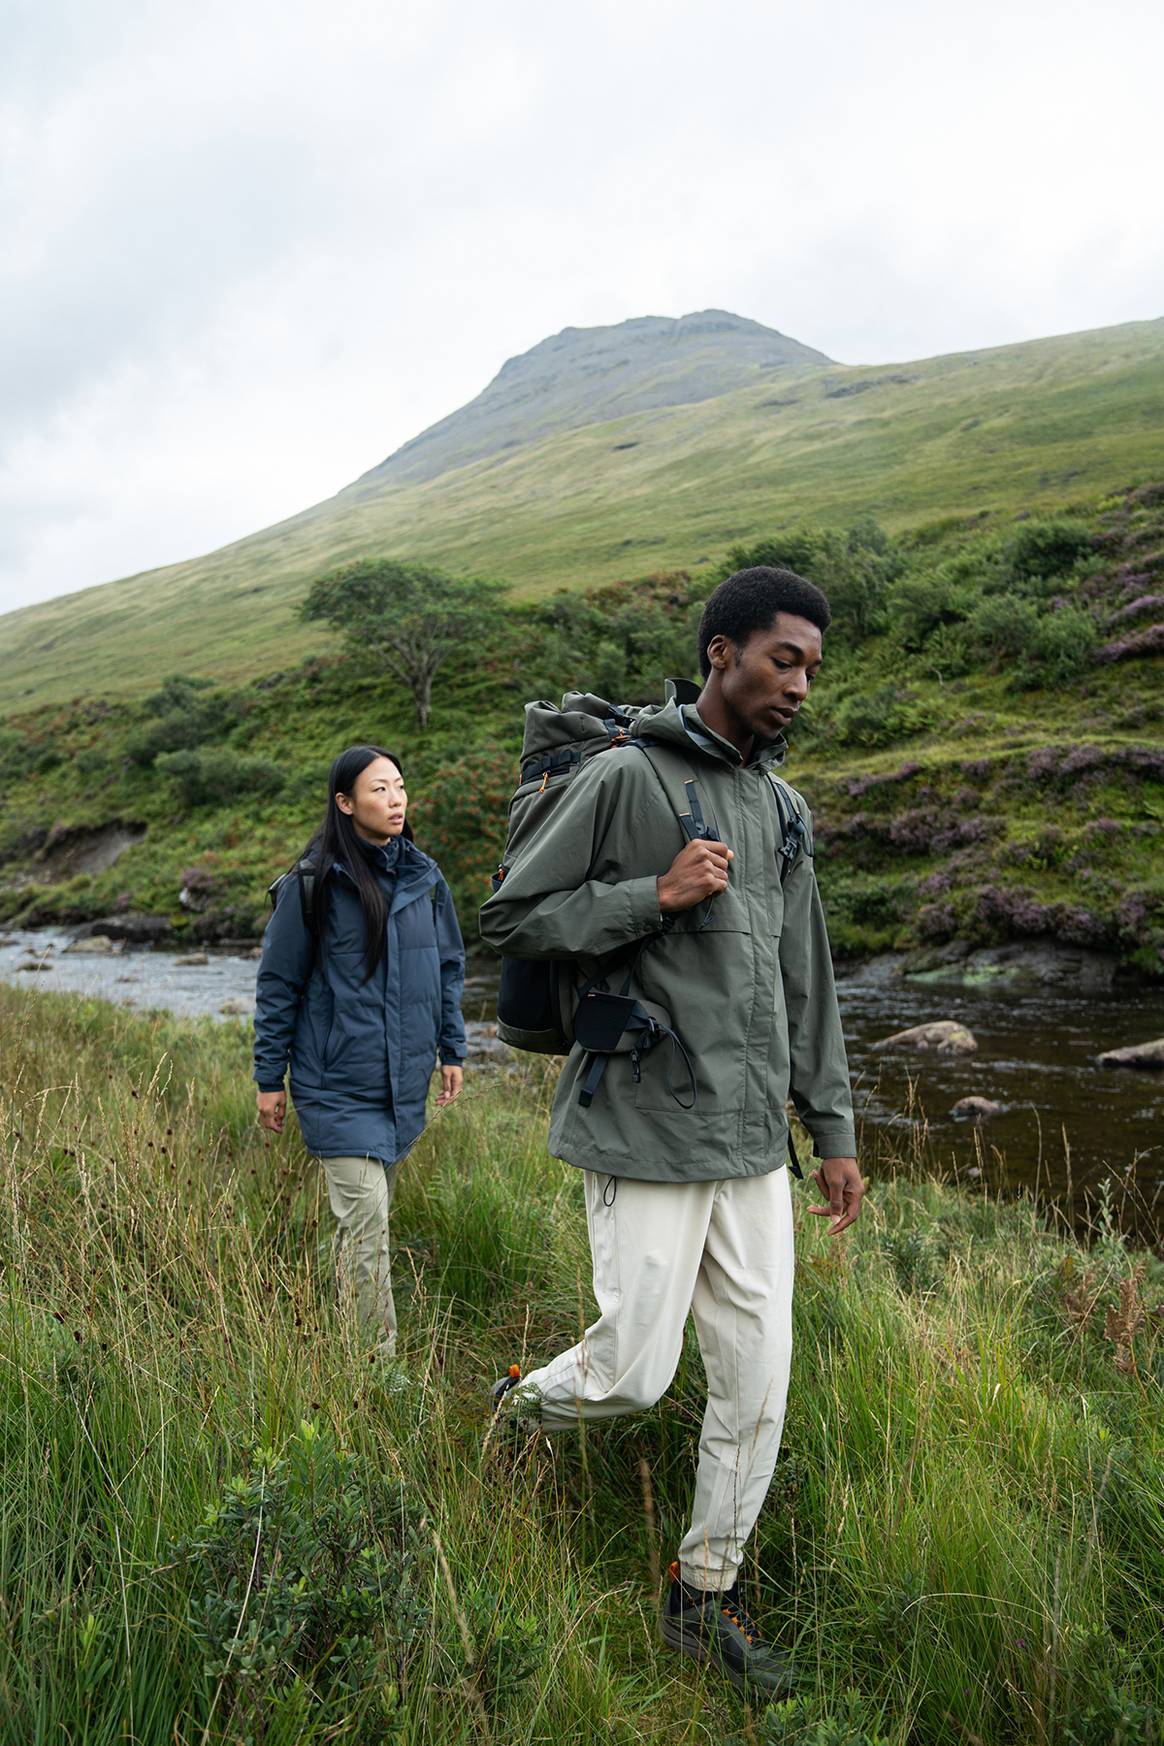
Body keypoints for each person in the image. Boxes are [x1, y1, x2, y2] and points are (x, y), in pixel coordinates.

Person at [479, 565, 863, 1694]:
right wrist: (654, 895)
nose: (799, 686)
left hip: (753, 1146)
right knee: (635, 1378)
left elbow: (810, 977)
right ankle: (514, 1409)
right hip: (644, 1123)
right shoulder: (623, 777)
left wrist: (831, 1126)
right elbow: (512, 912)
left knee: (756, 1383)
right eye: (782, 659)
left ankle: (705, 1594)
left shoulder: (784, 811)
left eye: (812, 669)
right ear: (721, 654)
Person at [254, 744, 466, 1356]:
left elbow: (449, 967)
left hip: (401, 1085)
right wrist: (270, 1078)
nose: (395, 800)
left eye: (399, 786)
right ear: (345, 804)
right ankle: (378, 1375)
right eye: (379, 789)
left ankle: (326, 1320)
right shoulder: (312, 886)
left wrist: (453, 1048)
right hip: (334, 1084)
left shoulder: (425, 878)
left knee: (359, 1226)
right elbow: (278, 985)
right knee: (368, 1227)